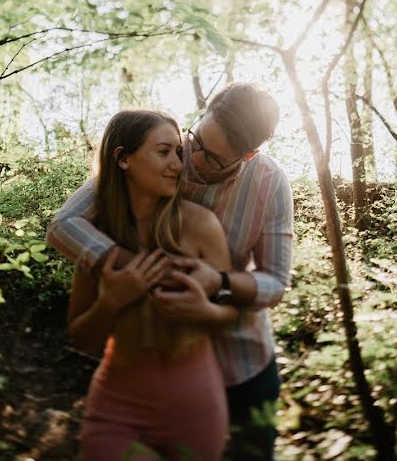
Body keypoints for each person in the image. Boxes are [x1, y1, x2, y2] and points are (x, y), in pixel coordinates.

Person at [48, 83, 294, 460]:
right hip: (142, 374)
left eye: (210, 158)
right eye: (192, 142)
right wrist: (133, 270)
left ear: (247, 156)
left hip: (239, 365)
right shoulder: (163, 151)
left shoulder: (268, 184)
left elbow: (276, 282)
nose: (190, 162)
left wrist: (219, 284)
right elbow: (65, 223)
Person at [67, 109, 237, 460]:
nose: (177, 164)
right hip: (117, 405)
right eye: (163, 152)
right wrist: (110, 302)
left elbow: (231, 315)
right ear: (123, 159)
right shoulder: (94, 235)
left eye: (178, 152)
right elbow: (81, 339)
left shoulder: (201, 225)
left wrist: (205, 311)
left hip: (195, 405)